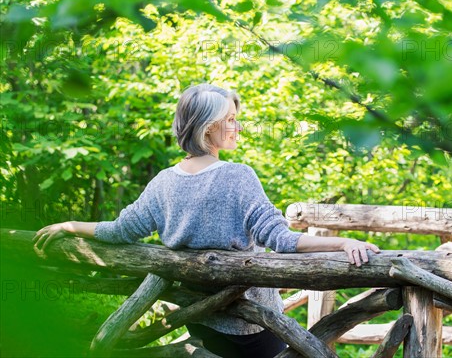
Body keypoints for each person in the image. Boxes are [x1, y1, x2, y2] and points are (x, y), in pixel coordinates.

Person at [32, 83, 381, 357]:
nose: (237, 126)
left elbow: (121, 231)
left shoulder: (163, 183)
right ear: (207, 128)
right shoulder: (238, 176)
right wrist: (343, 242)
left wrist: (71, 225)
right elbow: (281, 239)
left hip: (200, 322)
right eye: (230, 119)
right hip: (255, 325)